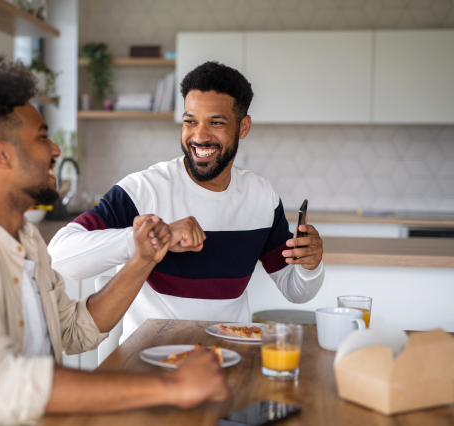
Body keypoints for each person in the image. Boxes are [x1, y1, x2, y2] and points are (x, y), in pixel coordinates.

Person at [0, 64, 228, 426]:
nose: (55, 148)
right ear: (0, 154)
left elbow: (76, 331)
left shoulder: (24, 238)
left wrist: (143, 260)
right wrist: (169, 387)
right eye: (42, 136)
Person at [48, 61, 325, 343]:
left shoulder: (262, 198)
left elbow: (295, 291)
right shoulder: (143, 190)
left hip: (229, 358)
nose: (200, 136)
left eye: (216, 122)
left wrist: (310, 266)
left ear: (243, 127)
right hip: (151, 362)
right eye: (190, 121)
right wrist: (152, 238)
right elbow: (58, 256)